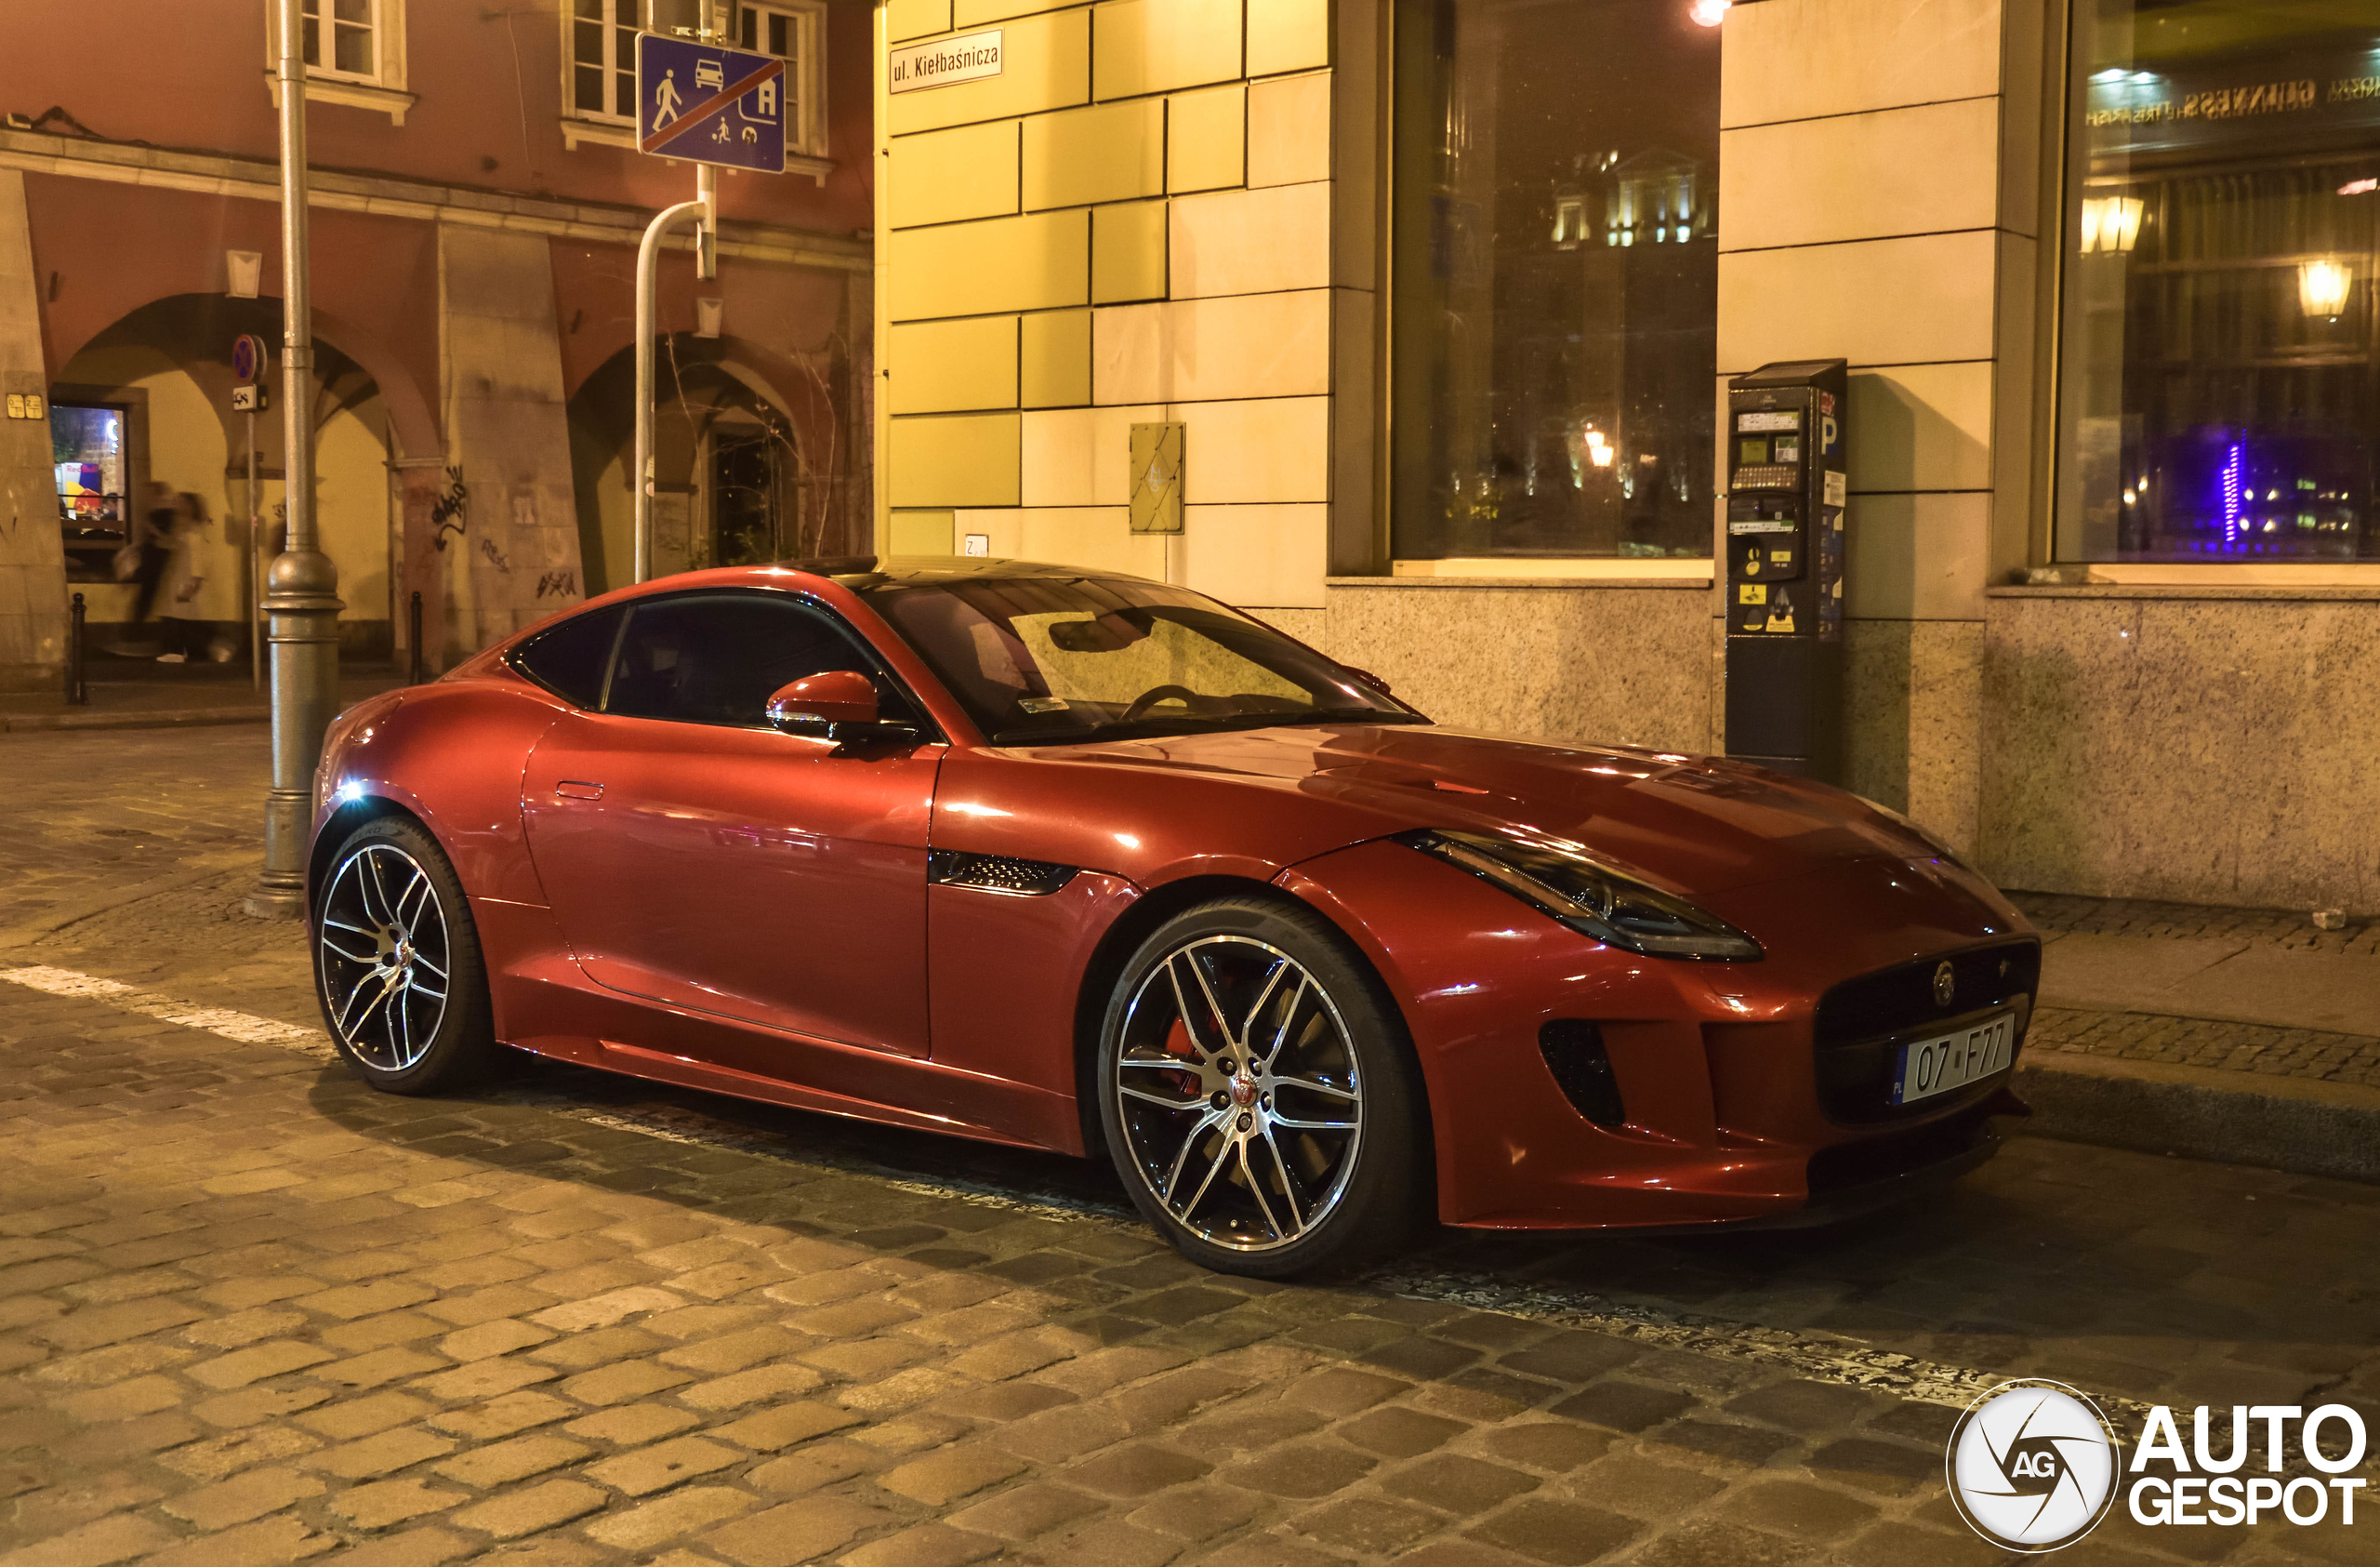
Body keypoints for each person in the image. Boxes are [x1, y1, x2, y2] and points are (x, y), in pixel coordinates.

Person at [153, 492, 212, 663]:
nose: (176, 505)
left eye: (180, 503)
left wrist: (196, 578)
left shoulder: (193, 528)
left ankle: (181, 651)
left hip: (185, 576)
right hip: (176, 575)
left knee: (182, 613)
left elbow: (198, 554)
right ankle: (181, 650)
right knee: (177, 613)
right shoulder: (180, 526)